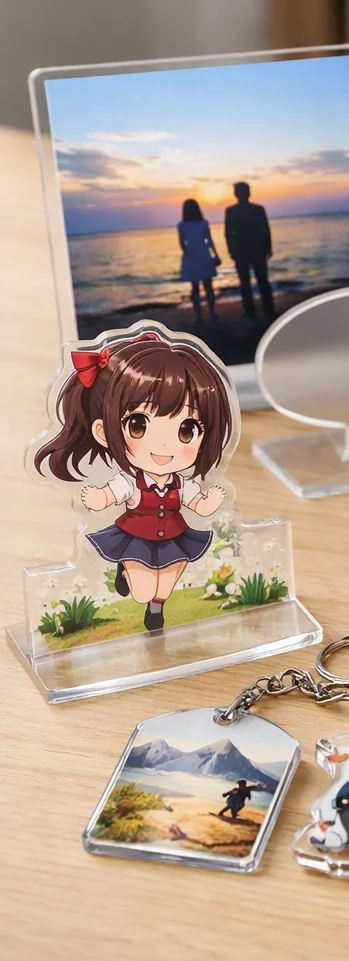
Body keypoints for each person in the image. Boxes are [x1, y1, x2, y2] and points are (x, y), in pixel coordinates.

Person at [33, 331, 233, 631]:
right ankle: (126, 574)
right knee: (142, 591)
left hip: (176, 536)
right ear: (104, 432)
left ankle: (157, 608)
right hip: (136, 538)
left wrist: (211, 502)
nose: (164, 446)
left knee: (164, 588)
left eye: (187, 430)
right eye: (139, 425)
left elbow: (200, 506)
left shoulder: (182, 484)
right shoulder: (129, 482)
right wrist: (98, 498)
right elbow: (110, 495)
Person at [224, 181, 275, 319]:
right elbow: (265, 230)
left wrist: (232, 250)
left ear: (236, 194)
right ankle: (267, 309)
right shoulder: (257, 209)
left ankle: (251, 311)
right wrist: (268, 247)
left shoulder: (232, 211)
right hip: (254, 250)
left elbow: (229, 234)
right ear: (248, 193)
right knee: (261, 281)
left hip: (245, 251)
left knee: (247, 282)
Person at [177, 198, 220, 324]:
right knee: (207, 287)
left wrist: (189, 252)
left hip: (192, 256)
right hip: (203, 255)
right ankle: (210, 313)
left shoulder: (182, 225)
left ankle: (200, 316)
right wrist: (215, 255)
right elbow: (209, 241)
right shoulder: (203, 223)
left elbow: (182, 244)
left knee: (195, 288)